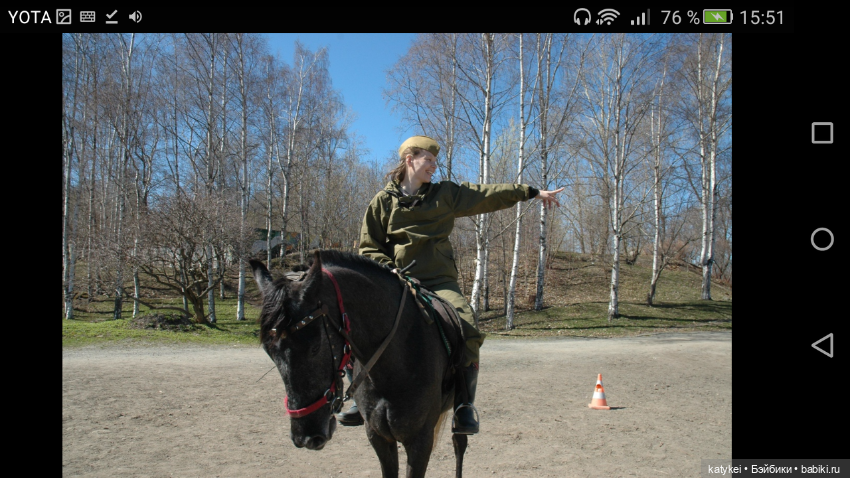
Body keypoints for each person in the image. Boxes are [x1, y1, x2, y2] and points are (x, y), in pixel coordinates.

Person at [336, 135, 564, 434]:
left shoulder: (445, 194)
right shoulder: (382, 201)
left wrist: (531, 192)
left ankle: (463, 405)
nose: (433, 165)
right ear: (409, 160)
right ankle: (358, 395)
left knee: (467, 324)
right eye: (428, 159)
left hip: (438, 280)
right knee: (356, 324)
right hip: (395, 281)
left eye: (434, 160)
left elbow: (486, 194)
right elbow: (369, 248)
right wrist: (391, 270)